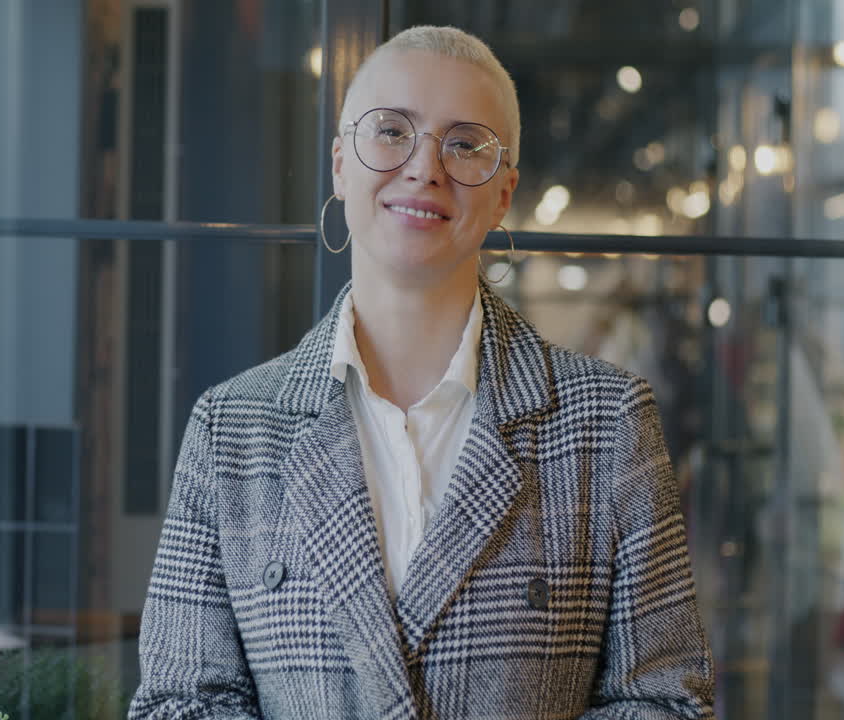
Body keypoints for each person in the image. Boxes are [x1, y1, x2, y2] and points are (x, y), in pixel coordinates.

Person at [131, 25, 714, 719]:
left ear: (503, 195)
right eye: (391, 131)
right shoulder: (232, 428)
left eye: (465, 144)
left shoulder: (606, 421)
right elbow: (178, 704)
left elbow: (667, 701)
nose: (425, 168)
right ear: (341, 162)